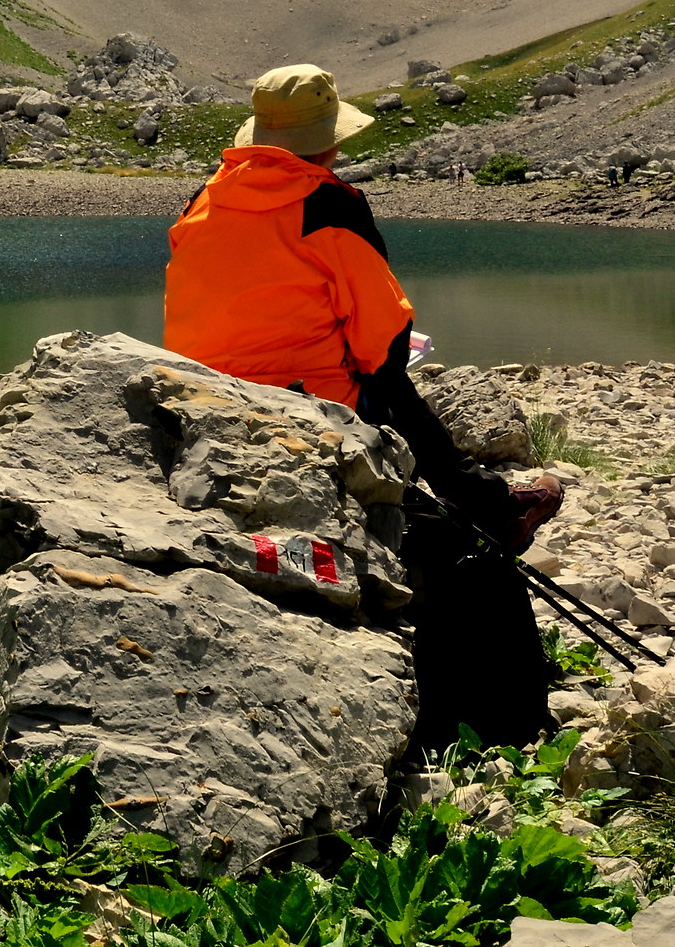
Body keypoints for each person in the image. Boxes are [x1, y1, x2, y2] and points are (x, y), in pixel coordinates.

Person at [164, 64, 563, 755]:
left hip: (214, 428)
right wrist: (463, 484)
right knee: (468, 556)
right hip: (314, 435)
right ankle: (503, 732)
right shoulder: (331, 208)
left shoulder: (202, 203)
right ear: (328, 144)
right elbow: (386, 356)